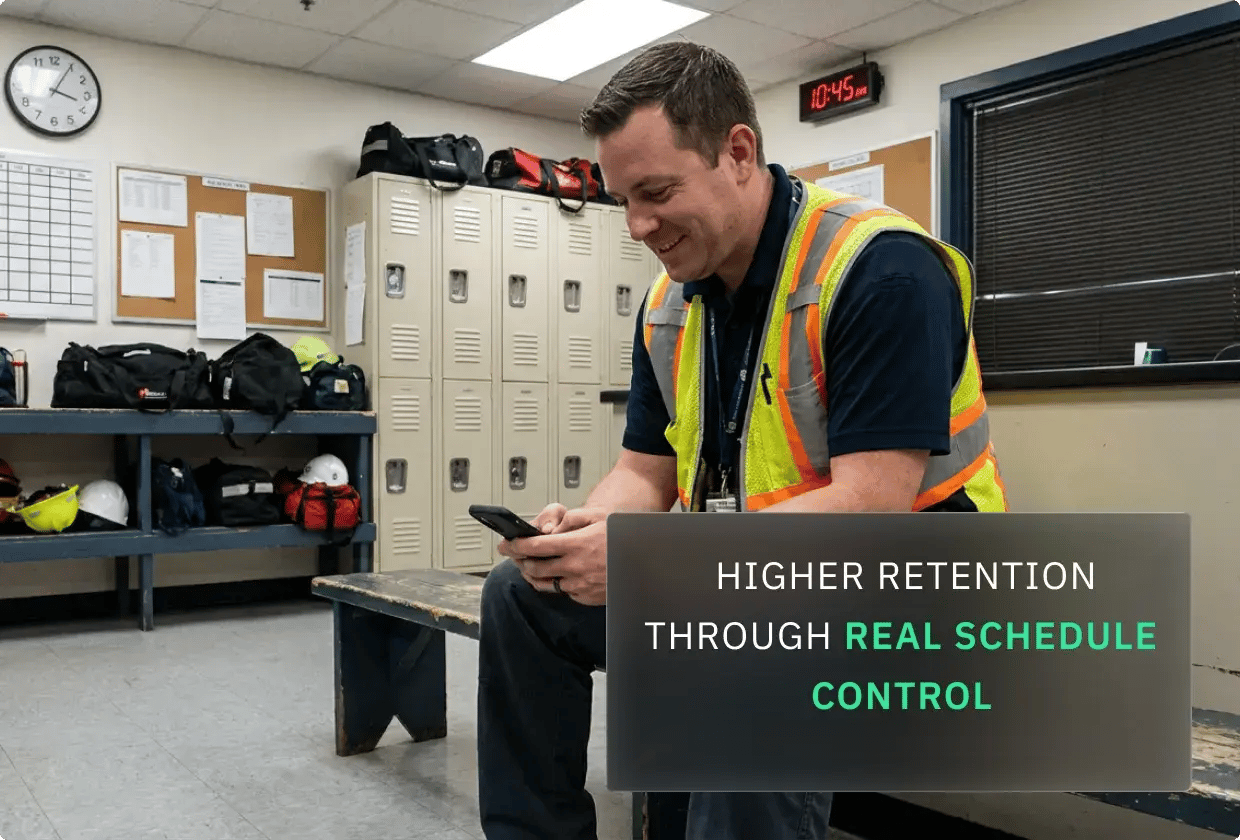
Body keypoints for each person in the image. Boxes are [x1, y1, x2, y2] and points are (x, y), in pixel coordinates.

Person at [476, 41, 1009, 840]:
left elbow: (871, 511)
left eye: (657, 192)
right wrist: (588, 530)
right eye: (623, 201)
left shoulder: (882, 271)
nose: (638, 226)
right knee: (522, 598)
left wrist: (653, 562)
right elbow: (643, 474)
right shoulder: (669, 303)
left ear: (738, 152)